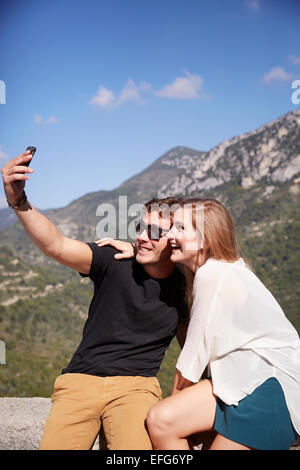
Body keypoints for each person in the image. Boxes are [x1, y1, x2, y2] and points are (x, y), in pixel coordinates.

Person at [1, 149, 189, 450]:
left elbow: (190, 354)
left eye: (154, 231)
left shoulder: (186, 287)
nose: (142, 237)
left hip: (136, 388)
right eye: (140, 228)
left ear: (179, 238)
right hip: (80, 380)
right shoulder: (112, 260)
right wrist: (18, 201)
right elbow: (56, 245)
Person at [146, 197, 300, 450]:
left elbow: (192, 357)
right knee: (161, 420)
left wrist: (177, 406)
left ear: (205, 239)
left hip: (271, 391)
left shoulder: (212, 275)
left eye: (180, 228)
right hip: (237, 381)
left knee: (164, 416)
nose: (170, 235)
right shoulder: (216, 270)